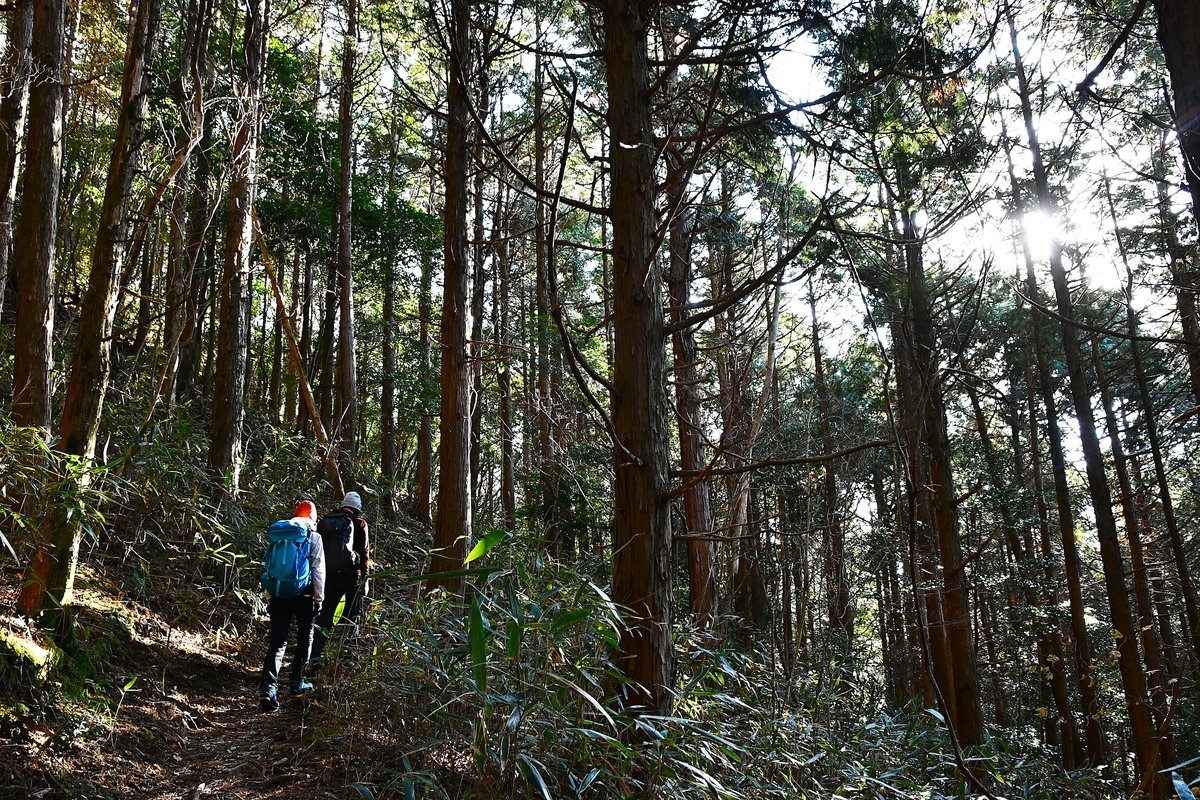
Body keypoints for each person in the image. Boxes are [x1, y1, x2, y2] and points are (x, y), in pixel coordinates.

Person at [259, 500, 325, 712]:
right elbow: (318, 569)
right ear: (313, 519)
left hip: (279, 593)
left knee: (278, 641)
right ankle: (297, 683)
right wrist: (319, 598)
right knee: (305, 638)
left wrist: (269, 593)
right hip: (304, 595)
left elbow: (270, 564)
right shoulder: (313, 536)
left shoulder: (280, 534)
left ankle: (268, 688)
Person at [309, 491, 370, 668]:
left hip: (328, 576)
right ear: (357, 507)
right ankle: (345, 662)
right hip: (351, 578)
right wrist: (365, 577)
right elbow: (364, 554)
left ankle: (313, 660)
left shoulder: (326, 522)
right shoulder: (359, 523)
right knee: (350, 618)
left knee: (324, 619)